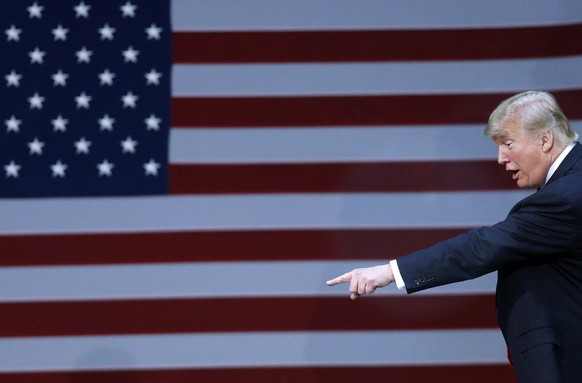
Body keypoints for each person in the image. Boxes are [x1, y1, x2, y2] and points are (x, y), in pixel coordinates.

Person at [326, 91, 582, 383]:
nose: (500, 158)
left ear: (545, 140)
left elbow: (483, 247)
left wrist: (390, 272)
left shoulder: (565, 197)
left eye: (508, 144)